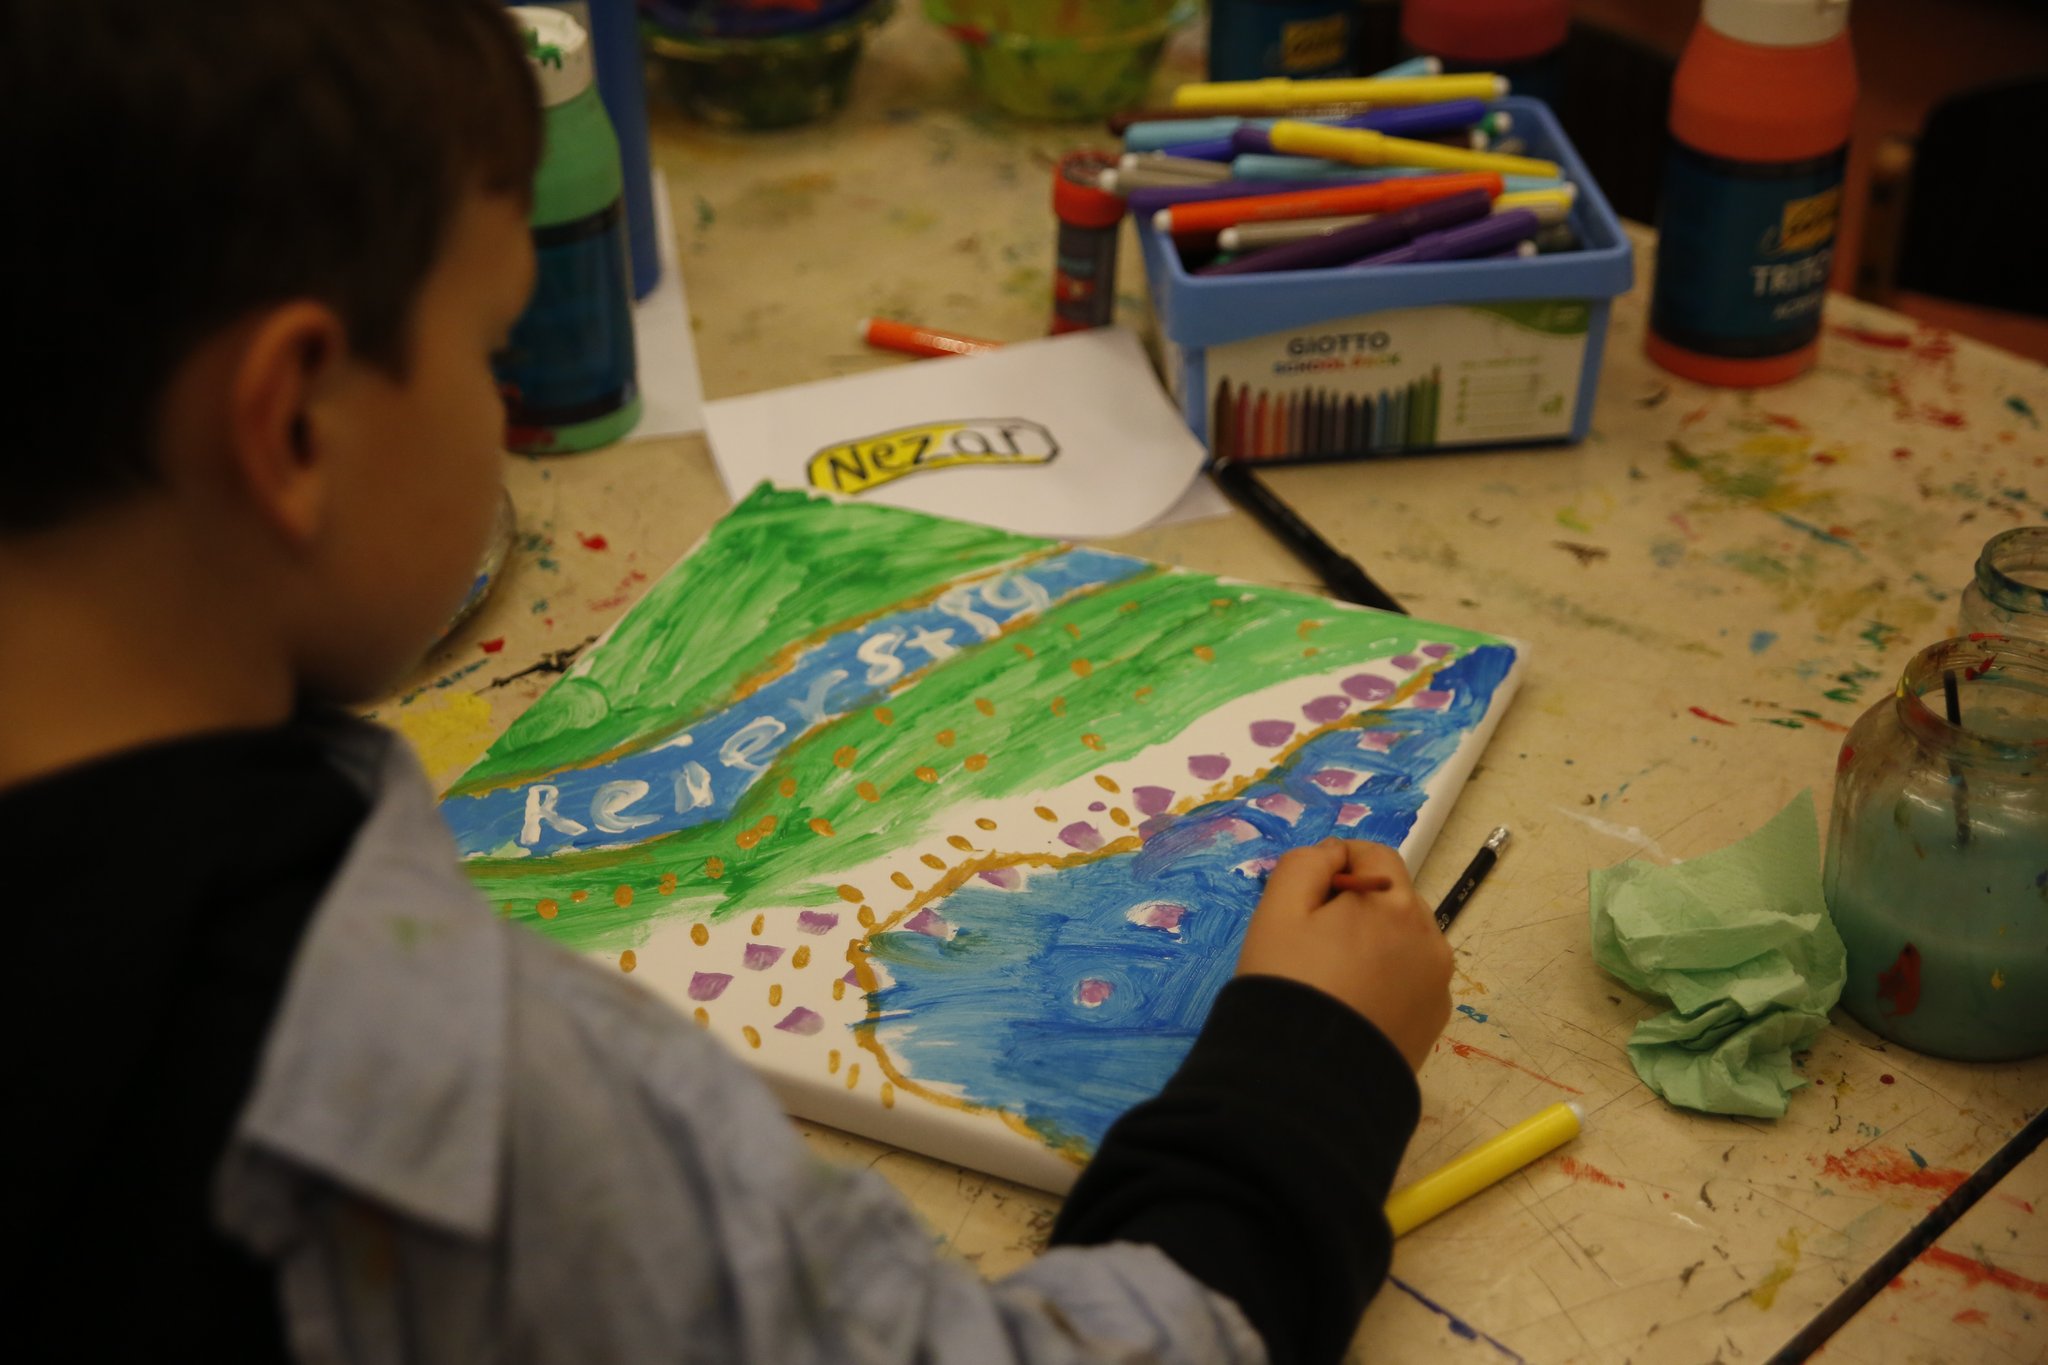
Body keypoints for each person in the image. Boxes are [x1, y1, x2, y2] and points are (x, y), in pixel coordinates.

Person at [2, 2, 1454, 1361]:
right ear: (292, 428)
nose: (505, 417)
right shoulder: (473, 1097)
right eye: (493, 354)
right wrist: (1301, 1080)